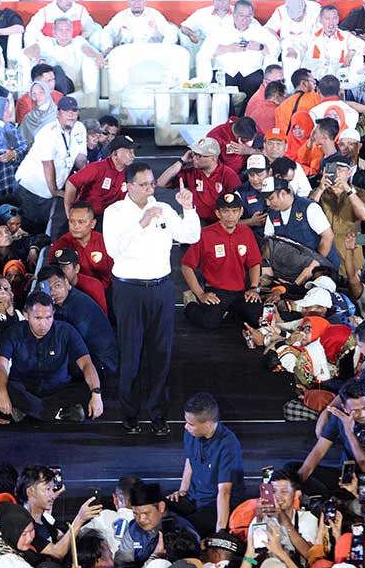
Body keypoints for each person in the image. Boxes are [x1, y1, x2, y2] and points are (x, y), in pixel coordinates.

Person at [102, 161, 200, 435]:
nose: (149, 188)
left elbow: (190, 235)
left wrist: (189, 208)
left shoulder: (164, 208)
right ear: (129, 185)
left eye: (151, 183)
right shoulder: (115, 212)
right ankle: (130, 416)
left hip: (161, 288)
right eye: (143, 184)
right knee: (131, 354)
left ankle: (158, 415)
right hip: (129, 290)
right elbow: (114, 251)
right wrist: (142, 224)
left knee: (160, 354)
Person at [0, 291, 103, 423]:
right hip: (25, 388)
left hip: (57, 389)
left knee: (88, 388)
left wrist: (96, 393)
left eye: (48, 317)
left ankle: (30, 411)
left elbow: (86, 363)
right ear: (26, 316)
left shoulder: (66, 331)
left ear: (53, 314)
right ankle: (58, 413)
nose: (44, 324)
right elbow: (0, 364)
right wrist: (3, 393)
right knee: (0, 388)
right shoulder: (13, 332)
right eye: (38, 318)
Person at [181, 192, 263, 329]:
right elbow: (186, 266)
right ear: (218, 213)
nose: (230, 216)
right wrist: (200, 294)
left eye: (234, 211)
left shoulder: (246, 233)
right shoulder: (204, 234)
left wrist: (254, 288)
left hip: (241, 291)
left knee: (258, 319)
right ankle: (190, 302)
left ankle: (230, 311)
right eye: (225, 211)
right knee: (209, 323)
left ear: (241, 212)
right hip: (216, 291)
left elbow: (254, 262)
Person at [168, 392, 245, 534]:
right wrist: (183, 490)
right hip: (194, 497)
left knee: (185, 529)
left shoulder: (228, 445)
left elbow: (224, 492)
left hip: (214, 504)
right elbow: (190, 460)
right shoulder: (191, 434)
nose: (186, 427)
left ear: (208, 424)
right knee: (159, 508)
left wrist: (220, 532)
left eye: (191, 424)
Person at [15, 95, 87, 233]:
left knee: (44, 228)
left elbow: (80, 158)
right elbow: (48, 164)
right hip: (31, 187)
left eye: (74, 111)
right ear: (58, 113)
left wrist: (86, 179)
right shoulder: (48, 132)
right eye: (66, 111)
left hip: (50, 189)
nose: (71, 114)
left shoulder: (80, 128)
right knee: (29, 230)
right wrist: (54, 190)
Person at [37, 264, 117, 377]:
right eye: (49, 289)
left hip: (103, 363)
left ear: (66, 282)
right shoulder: (59, 304)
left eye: (57, 285)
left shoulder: (78, 306)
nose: (54, 292)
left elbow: (71, 345)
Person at [199, 0, 278, 109]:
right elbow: (205, 51)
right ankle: (229, 121)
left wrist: (260, 47)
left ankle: (244, 119)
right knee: (220, 91)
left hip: (251, 72)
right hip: (225, 71)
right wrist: (228, 48)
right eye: (241, 15)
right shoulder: (220, 30)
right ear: (234, 14)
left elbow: (275, 49)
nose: (245, 20)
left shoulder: (260, 31)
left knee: (260, 88)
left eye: (248, 16)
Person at [157, 137, 240, 224]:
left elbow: (237, 203)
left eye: (199, 155)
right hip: (197, 219)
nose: (194, 158)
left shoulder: (228, 175)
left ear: (213, 158)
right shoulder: (192, 172)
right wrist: (182, 161)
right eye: (193, 154)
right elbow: (161, 182)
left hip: (220, 222)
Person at [64, 134, 137, 218]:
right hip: (89, 216)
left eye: (133, 152)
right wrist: (69, 214)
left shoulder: (130, 172)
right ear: (115, 154)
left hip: (113, 216)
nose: (133, 156)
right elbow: (71, 183)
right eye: (129, 152)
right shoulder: (97, 168)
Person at [100, 0, 178, 54]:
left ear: (145, 2)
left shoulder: (154, 14)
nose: (136, 3)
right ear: (128, 2)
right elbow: (107, 31)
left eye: (140, 0)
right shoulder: (121, 16)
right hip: (128, 52)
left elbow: (170, 33)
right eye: (133, 0)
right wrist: (108, 47)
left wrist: (164, 49)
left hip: (152, 52)